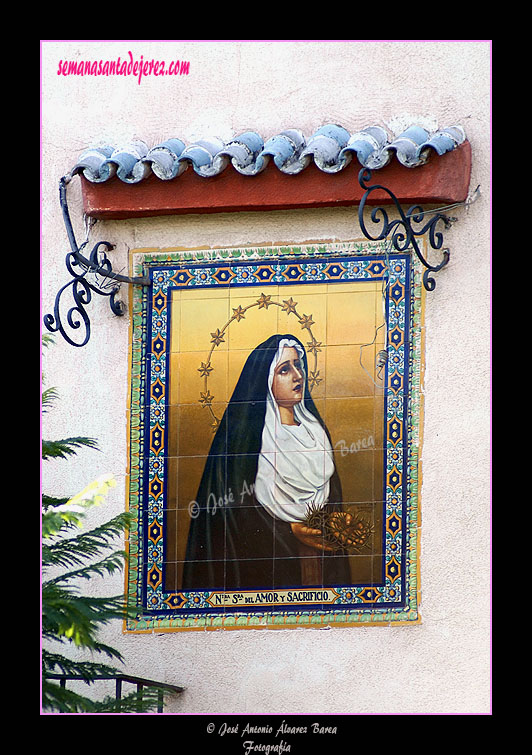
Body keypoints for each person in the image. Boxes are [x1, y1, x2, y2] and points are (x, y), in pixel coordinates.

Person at [181, 333, 351, 591]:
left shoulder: (316, 432)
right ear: (265, 379)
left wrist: (335, 521)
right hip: (267, 569)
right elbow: (231, 514)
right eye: (285, 369)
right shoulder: (245, 441)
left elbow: (331, 497)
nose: (298, 375)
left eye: (298, 365)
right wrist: (288, 530)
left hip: (320, 560)